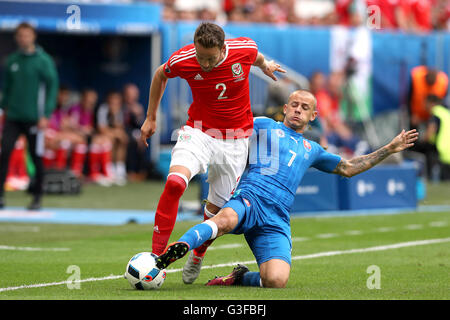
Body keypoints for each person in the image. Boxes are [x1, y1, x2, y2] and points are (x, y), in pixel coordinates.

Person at [153, 89, 418, 288]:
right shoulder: (263, 125)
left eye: (304, 107)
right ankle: (177, 251)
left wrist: (389, 149)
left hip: (276, 218)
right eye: (294, 105)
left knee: (276, 280)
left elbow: (348, 167)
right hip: (251, 197)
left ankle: (239, 278)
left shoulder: (312, 149)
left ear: (313, 116)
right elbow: (230, 127)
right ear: (285, 108)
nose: (298, 110)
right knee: (224, 220)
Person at [140, 22, 285, 282]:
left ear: (223, 48)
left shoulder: (244, 49)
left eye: (210, 58)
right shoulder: (184, 59)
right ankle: (156, 260)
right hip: (199, 131)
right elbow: (160, 74)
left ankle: (197, 254)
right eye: (200, 57)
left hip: (235, 140)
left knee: (216, 213)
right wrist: (151, 117)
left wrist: (265, 65)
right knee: (174, 183)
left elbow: (257, 57)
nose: (204, 64)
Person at [0, 22, 58, 210]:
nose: (23, 39)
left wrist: (45, 114)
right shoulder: (12, 60)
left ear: (33, 37)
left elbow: (51, 89)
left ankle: (37, 197)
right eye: (20, 35)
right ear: (16, 38)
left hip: (35, 118)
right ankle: (1, 196)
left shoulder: (43, 60)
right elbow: (6, 90)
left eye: (27, 35)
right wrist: (3, 108)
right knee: (5, 152)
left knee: (36, 156)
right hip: (13, 117)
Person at [424, 95, 450, 180]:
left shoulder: (436, 114)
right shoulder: (446, 112)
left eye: (425, 104)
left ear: (431, 103)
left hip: (444, 152)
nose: (424, 106)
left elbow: (429, 134)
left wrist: (422, 140)